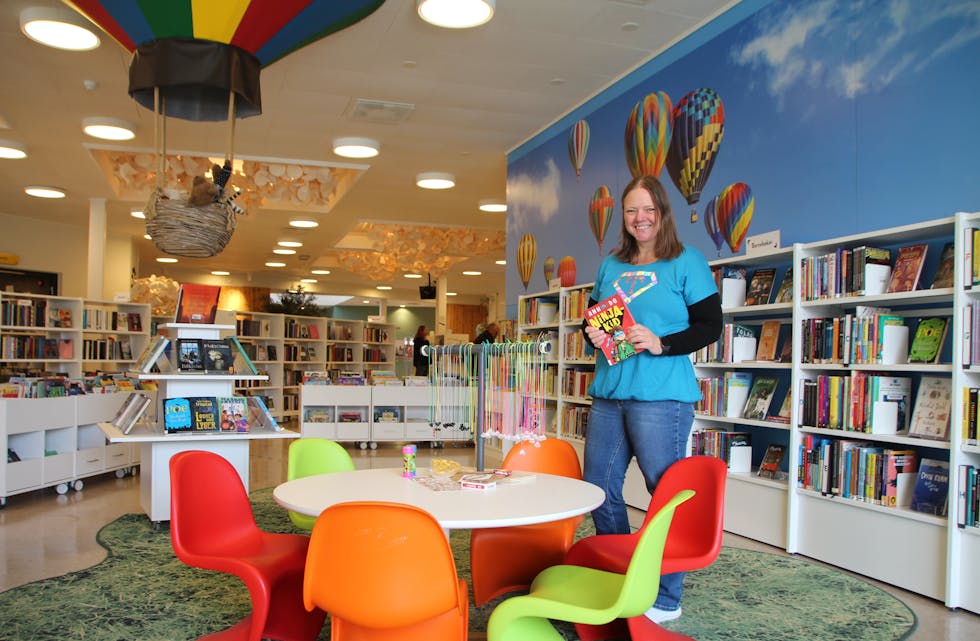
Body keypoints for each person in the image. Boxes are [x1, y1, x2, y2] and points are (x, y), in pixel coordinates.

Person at [581, 174, 722, 625]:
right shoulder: (610, 265)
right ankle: (624, 575)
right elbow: (596, 327)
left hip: (662, 398)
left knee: (665, 495)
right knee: (599, 490)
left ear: (662, 211)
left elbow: (709, 327)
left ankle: (665, 595)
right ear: (622, 218)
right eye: (630, 210)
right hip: (609, 393)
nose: (640, 218)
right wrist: (592, 334)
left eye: (647, 209)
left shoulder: (688, 261)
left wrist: (661, 342)